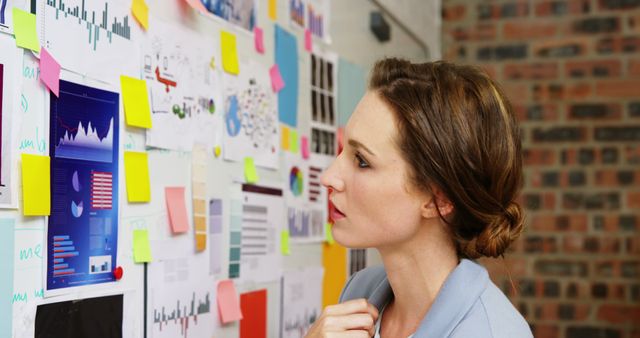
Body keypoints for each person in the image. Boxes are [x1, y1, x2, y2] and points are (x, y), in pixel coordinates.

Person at [306, 58, 533, 338]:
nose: (329, 177)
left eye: (362, 161)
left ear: (438, 199)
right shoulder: (359, 291)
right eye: (342, 152)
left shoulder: (492, 332)